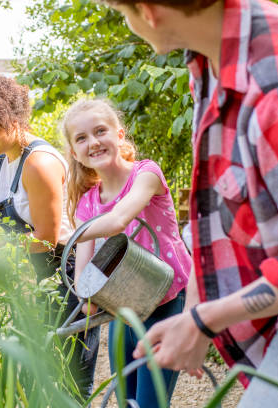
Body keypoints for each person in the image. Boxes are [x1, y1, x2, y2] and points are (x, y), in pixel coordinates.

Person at [100, 0, 278, 405]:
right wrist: (193, 315)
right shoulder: (211, 58)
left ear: (148, 12)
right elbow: (211, 209)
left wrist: (203, 321)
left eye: (123, 13)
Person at [0, 70, 100, 400]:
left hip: (68, 275)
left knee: (71, 379)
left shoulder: (39, 164)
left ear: (12, 116)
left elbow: (46, 238)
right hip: (35, 275)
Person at [62, 98, 192, 407]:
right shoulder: (87, 204)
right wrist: (88, 298)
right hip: (124, 311)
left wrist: (74, 234)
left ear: (120, 135)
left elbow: (119, 220)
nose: (93, 142)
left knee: (150, 404)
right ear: (74, 152)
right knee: (127, 402)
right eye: (81, 138)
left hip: (166, 303)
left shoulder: (146, 175)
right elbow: (83, 283)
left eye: (100, 131)